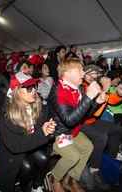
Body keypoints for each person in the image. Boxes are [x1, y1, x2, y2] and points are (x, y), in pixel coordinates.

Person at [0, 73, 56, 192]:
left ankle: (36, 185)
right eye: (29, 88)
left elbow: (42, 132)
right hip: (14, 152)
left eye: (34, 86)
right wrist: (43, 133)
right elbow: (15, 146)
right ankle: (25, 188)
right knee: (26, 166)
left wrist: (49, 130)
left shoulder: (37, 106)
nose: (34, 90)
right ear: (17, 91)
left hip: (32, 144)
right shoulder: (7, 114)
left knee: (44, 158)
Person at [48, 58, 100, 192]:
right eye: (80, 70)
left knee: (88, 146)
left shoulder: (77, 88)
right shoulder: (58, 91)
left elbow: (85, 115)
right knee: (73, 155)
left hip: (72, 132)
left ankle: (70, 179)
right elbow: (69, 120)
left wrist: (96, 102)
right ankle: (54, 178)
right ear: (67, 73)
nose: (83, 73)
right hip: (58, 134)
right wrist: (88, 97)